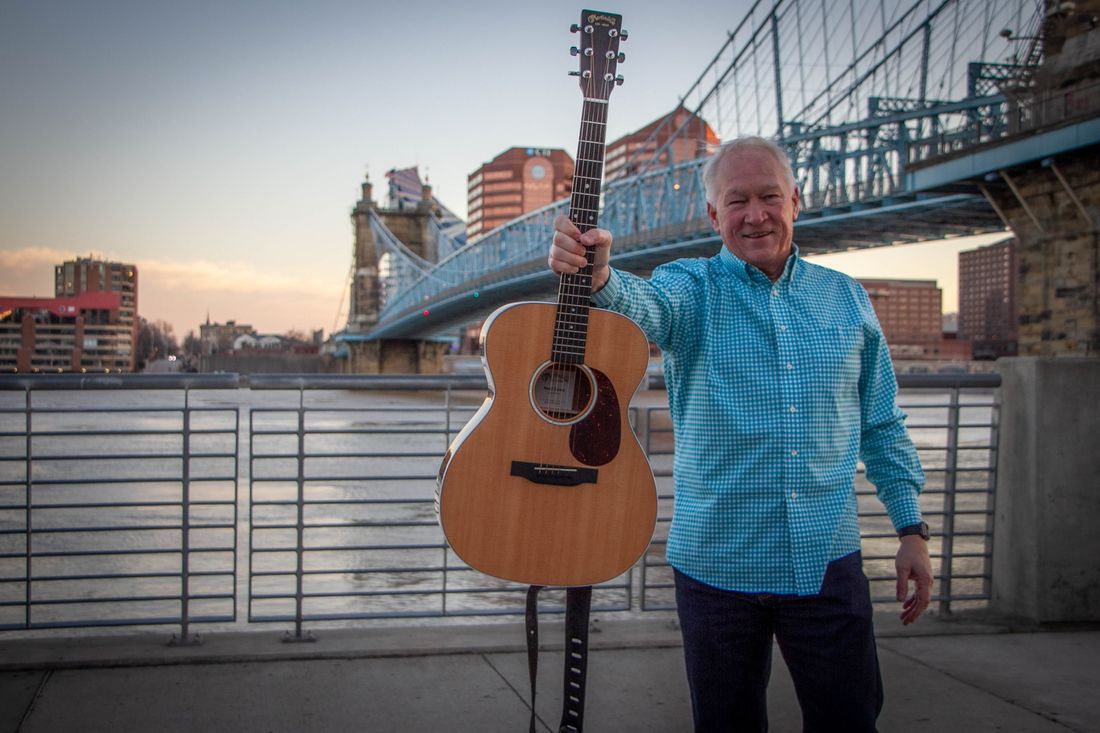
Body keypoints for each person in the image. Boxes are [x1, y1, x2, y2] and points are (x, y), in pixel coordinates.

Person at [548, 136, 933, 732]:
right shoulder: (690, 289)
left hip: (826, 566)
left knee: (850, 723)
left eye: (769, 196)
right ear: (712, 215)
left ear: (796, 200)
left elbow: (880, 424)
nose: (755, 214)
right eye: (737, 201)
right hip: (717, 573)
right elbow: (643, 305)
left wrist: (911, 530)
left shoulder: (847, 300)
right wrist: (598, 275)